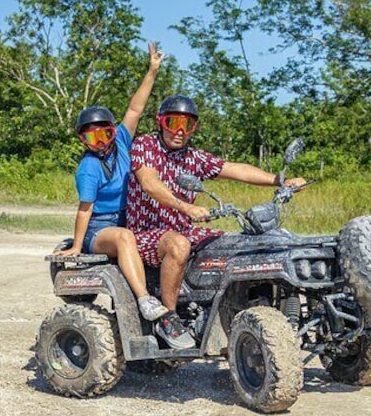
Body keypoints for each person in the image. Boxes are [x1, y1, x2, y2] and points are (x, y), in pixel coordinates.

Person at [126, 94, 306, 349]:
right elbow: (150, 183)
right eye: (172, 122)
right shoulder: (145, 145)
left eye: (187, 125)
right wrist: (186, 207)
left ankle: (234, 312)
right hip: (146, 234)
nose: (179, 131)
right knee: (177, 245)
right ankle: (168, 318)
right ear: (160, 122)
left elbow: (234, 169)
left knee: (236, 244)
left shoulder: (193, 157)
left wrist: (279, 180)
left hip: (183, 230)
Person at [54, 42, 168, 323]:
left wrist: (152, 71)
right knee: (124, 238)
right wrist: (78, 246)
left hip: (130, 219)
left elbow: (135, 109)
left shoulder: (121, 142)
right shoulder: (89, 168)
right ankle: (144, 300)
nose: (101, 142)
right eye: (92, 138)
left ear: (112, 131)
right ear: (84, 141)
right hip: (101, 228)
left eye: (104, 134)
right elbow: (85, 210)